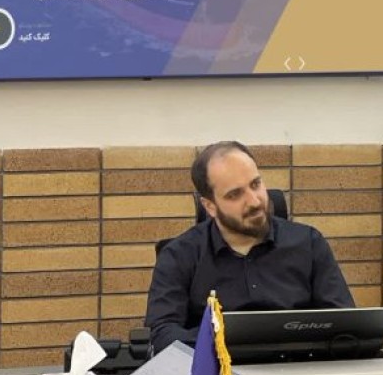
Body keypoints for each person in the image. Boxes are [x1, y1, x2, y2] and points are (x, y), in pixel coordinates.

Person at [145, 141, 355, 354]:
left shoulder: (308, 242)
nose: (254, 201)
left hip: (299, 367)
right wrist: (230, 341)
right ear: (210, 206)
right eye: (235, 194)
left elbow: (345, 324)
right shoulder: (180, 255)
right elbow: (162, 334)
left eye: (255, 184)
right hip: (217, 368)